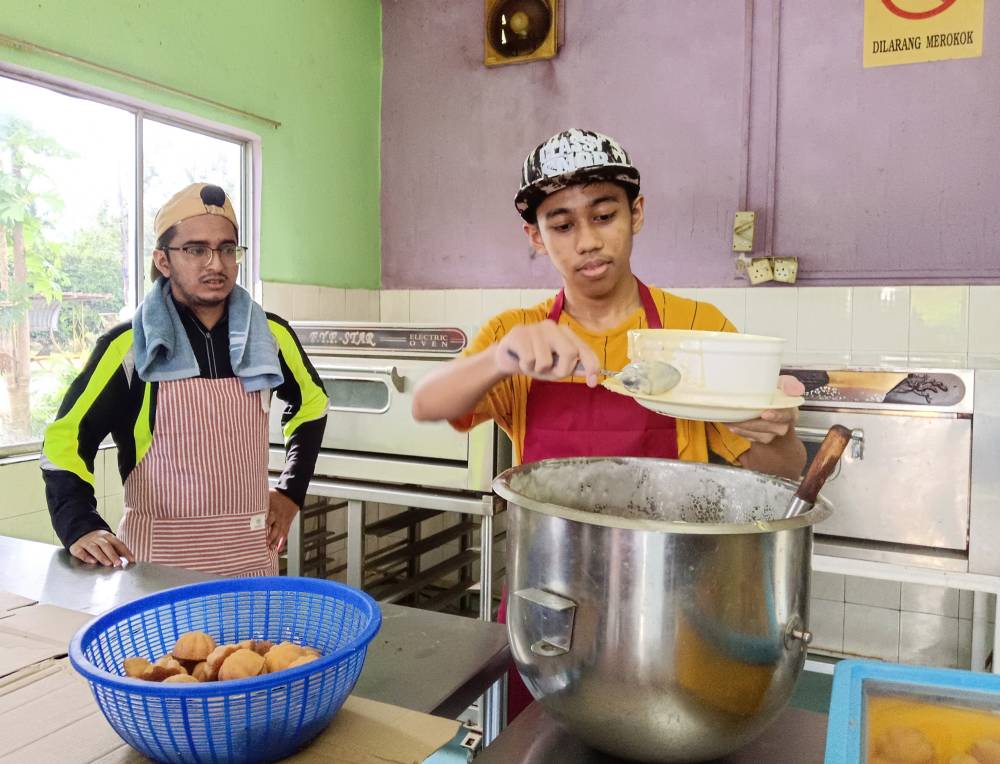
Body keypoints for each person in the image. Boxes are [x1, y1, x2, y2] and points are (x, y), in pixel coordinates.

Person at [411, 128, 807, 715]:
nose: (587, 241)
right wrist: (501, 359)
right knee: (536, 742)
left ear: (636, 213)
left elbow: (783, 471)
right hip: (549, 601)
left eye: (604, 215)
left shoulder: (696, 328)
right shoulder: (514, 332)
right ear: (535, 237)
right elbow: (427, 404)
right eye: (562, 224)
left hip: (673, 604)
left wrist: (774, 432)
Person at [41, 183, 328, 577]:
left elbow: (312, 404)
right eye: (196, 250)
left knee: (252, 645)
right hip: (156, 570)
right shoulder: (129, 347)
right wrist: (79, 524)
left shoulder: (270, 336)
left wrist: (291, 491)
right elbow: (65, 440)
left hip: (250, 563)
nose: (216, 264)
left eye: (228, 249)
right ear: (163, 260)